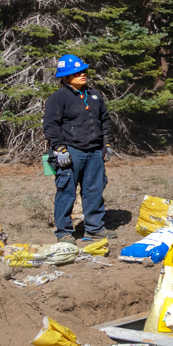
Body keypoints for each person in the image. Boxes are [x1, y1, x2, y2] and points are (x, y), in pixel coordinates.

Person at [43, 54, 116, 243]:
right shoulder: (58, 98)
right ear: (65, 77)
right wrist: (60, 148)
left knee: (94, 190)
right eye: (76, 72)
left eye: (83, 71)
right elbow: (51, 126)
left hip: (94, 152)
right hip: (71, 151)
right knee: (66, 192)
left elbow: (104, 121)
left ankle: (95, 229)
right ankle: (64, 233)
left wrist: (106, 144)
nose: (82, 74)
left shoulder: (94, 95)